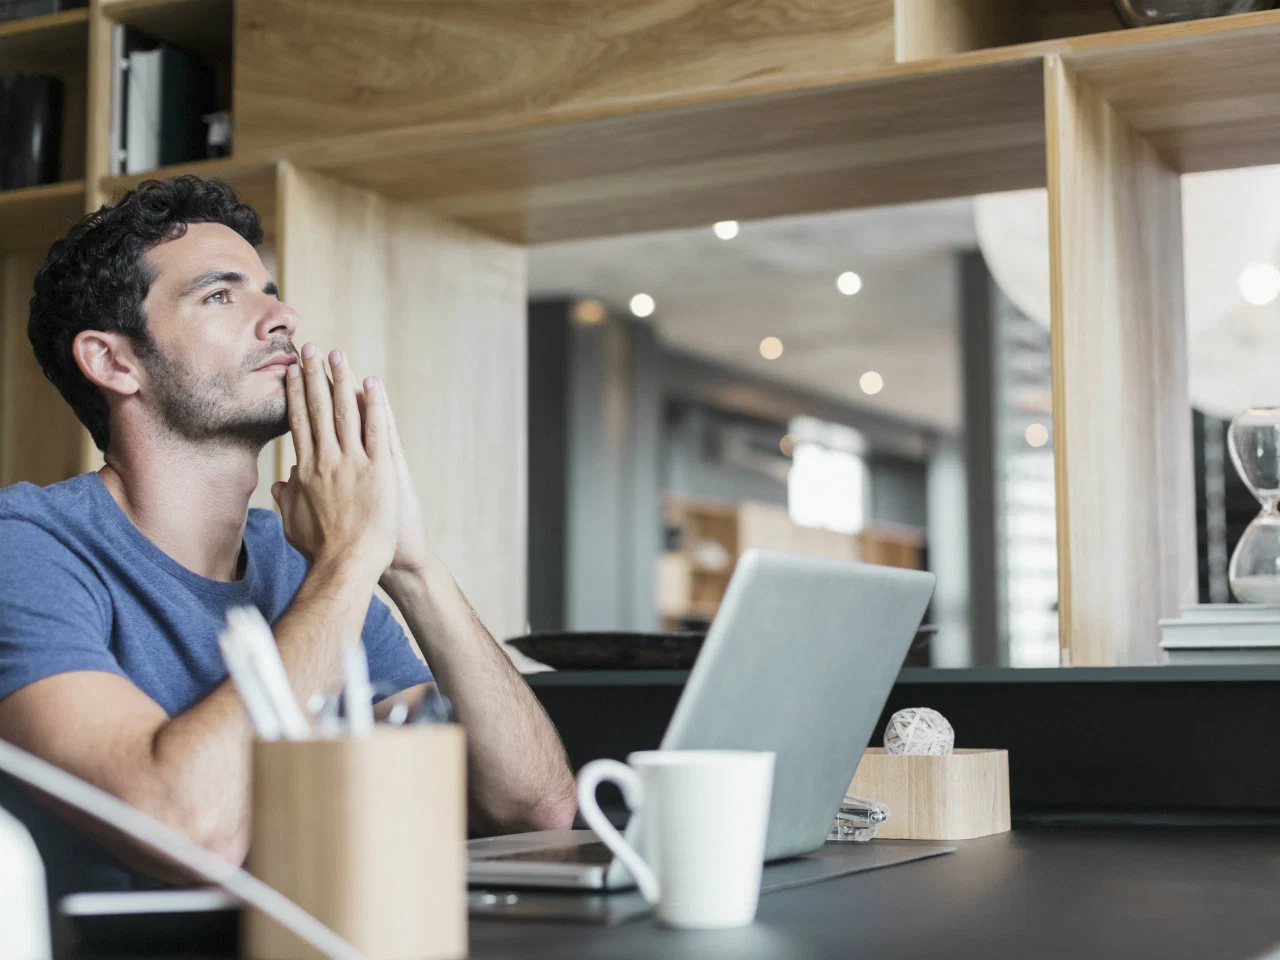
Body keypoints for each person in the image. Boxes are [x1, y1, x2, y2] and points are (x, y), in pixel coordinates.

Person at [0, 175, 576, 895]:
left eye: (269, 289)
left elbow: (536, 811)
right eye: (220, 294)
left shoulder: (302, 559)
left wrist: (409, 564)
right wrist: (347, 561)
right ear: (114, 361)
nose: (283, 316)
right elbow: (187, 831)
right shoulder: (25, 547)